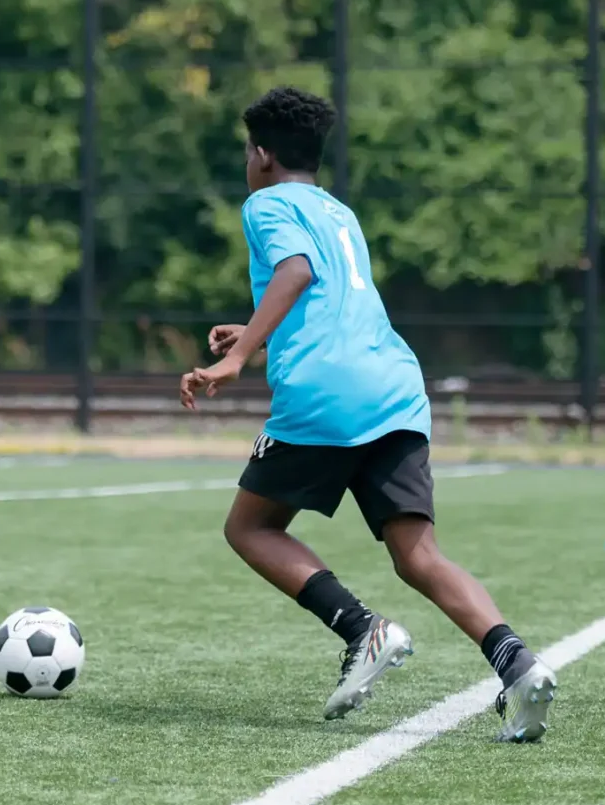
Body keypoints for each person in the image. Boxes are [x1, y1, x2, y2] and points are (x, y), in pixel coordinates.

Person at [179, 87, 556, 742]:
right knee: (418, 555)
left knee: (250, 527)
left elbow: (294, 273)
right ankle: (517, 665)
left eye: (247, 150)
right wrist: (254, 331)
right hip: (394, 387)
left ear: (263, 155)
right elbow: (329, 300)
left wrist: (241, 354)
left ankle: (361, 629)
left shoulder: (265, 203)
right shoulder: (338, 211)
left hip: (327, 392)